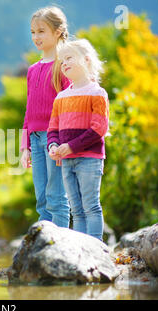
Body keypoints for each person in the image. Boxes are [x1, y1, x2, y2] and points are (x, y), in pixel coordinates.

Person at [47, 39, 109, 240]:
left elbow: (99, 128)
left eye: (69, 58)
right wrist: (54, 145)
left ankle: (96, 248)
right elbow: (53, 128)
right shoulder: (61, 97)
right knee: (76, 210)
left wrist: (71, 146)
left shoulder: (97, 93)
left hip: (89, 159)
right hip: (66, 160)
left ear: (87, 60)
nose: (63, 63)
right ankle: (80, 251)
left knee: (91, 206)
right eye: (61, 60)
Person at [19, 6, 70, 227]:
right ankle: (45, 244)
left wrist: (65, 141)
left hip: (56, 139)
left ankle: (60, 245)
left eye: (41, 31)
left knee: (57, 197)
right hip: (35, 139)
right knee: (41, 198)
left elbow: (70, 107)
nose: (36, 37)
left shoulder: (64, 66)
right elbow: (28, 111)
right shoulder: (32, 70)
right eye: (33, 32)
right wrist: (25, 147)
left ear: (58, 31)